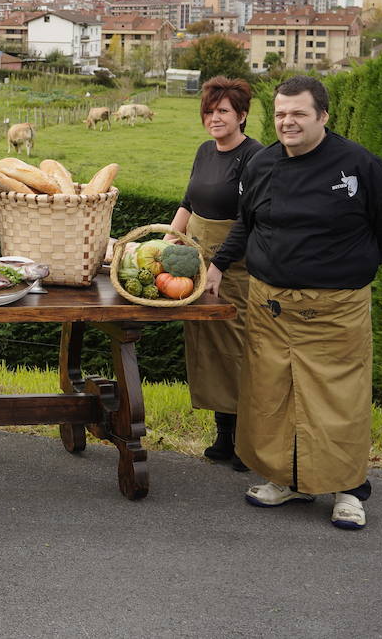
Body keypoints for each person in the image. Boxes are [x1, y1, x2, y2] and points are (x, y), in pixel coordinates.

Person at [207, 75, 382, 531]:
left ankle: (350, 490)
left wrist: (342, 267)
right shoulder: (262, 165)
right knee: (273, 396)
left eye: (298, 113)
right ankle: (286, 479)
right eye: (280, 114)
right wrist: (219, 263)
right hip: (269, 306)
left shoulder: (359, 165)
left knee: (338, 400)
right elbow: (247, 223)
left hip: (336, 310)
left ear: (323, 117)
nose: (287, 122)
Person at [168, 77, 263, 471]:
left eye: (223, 111)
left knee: (238, 350)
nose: (214, 118)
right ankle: (223, 434)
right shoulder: (205, 151)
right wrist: (166, 242)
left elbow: (248, 219)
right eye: (209, 111)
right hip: (197, 261)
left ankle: (247, 440)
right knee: (207, 348)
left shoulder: (255, 156)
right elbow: (188, 202)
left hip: (235, 267)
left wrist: (219, 264)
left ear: (242, 114)